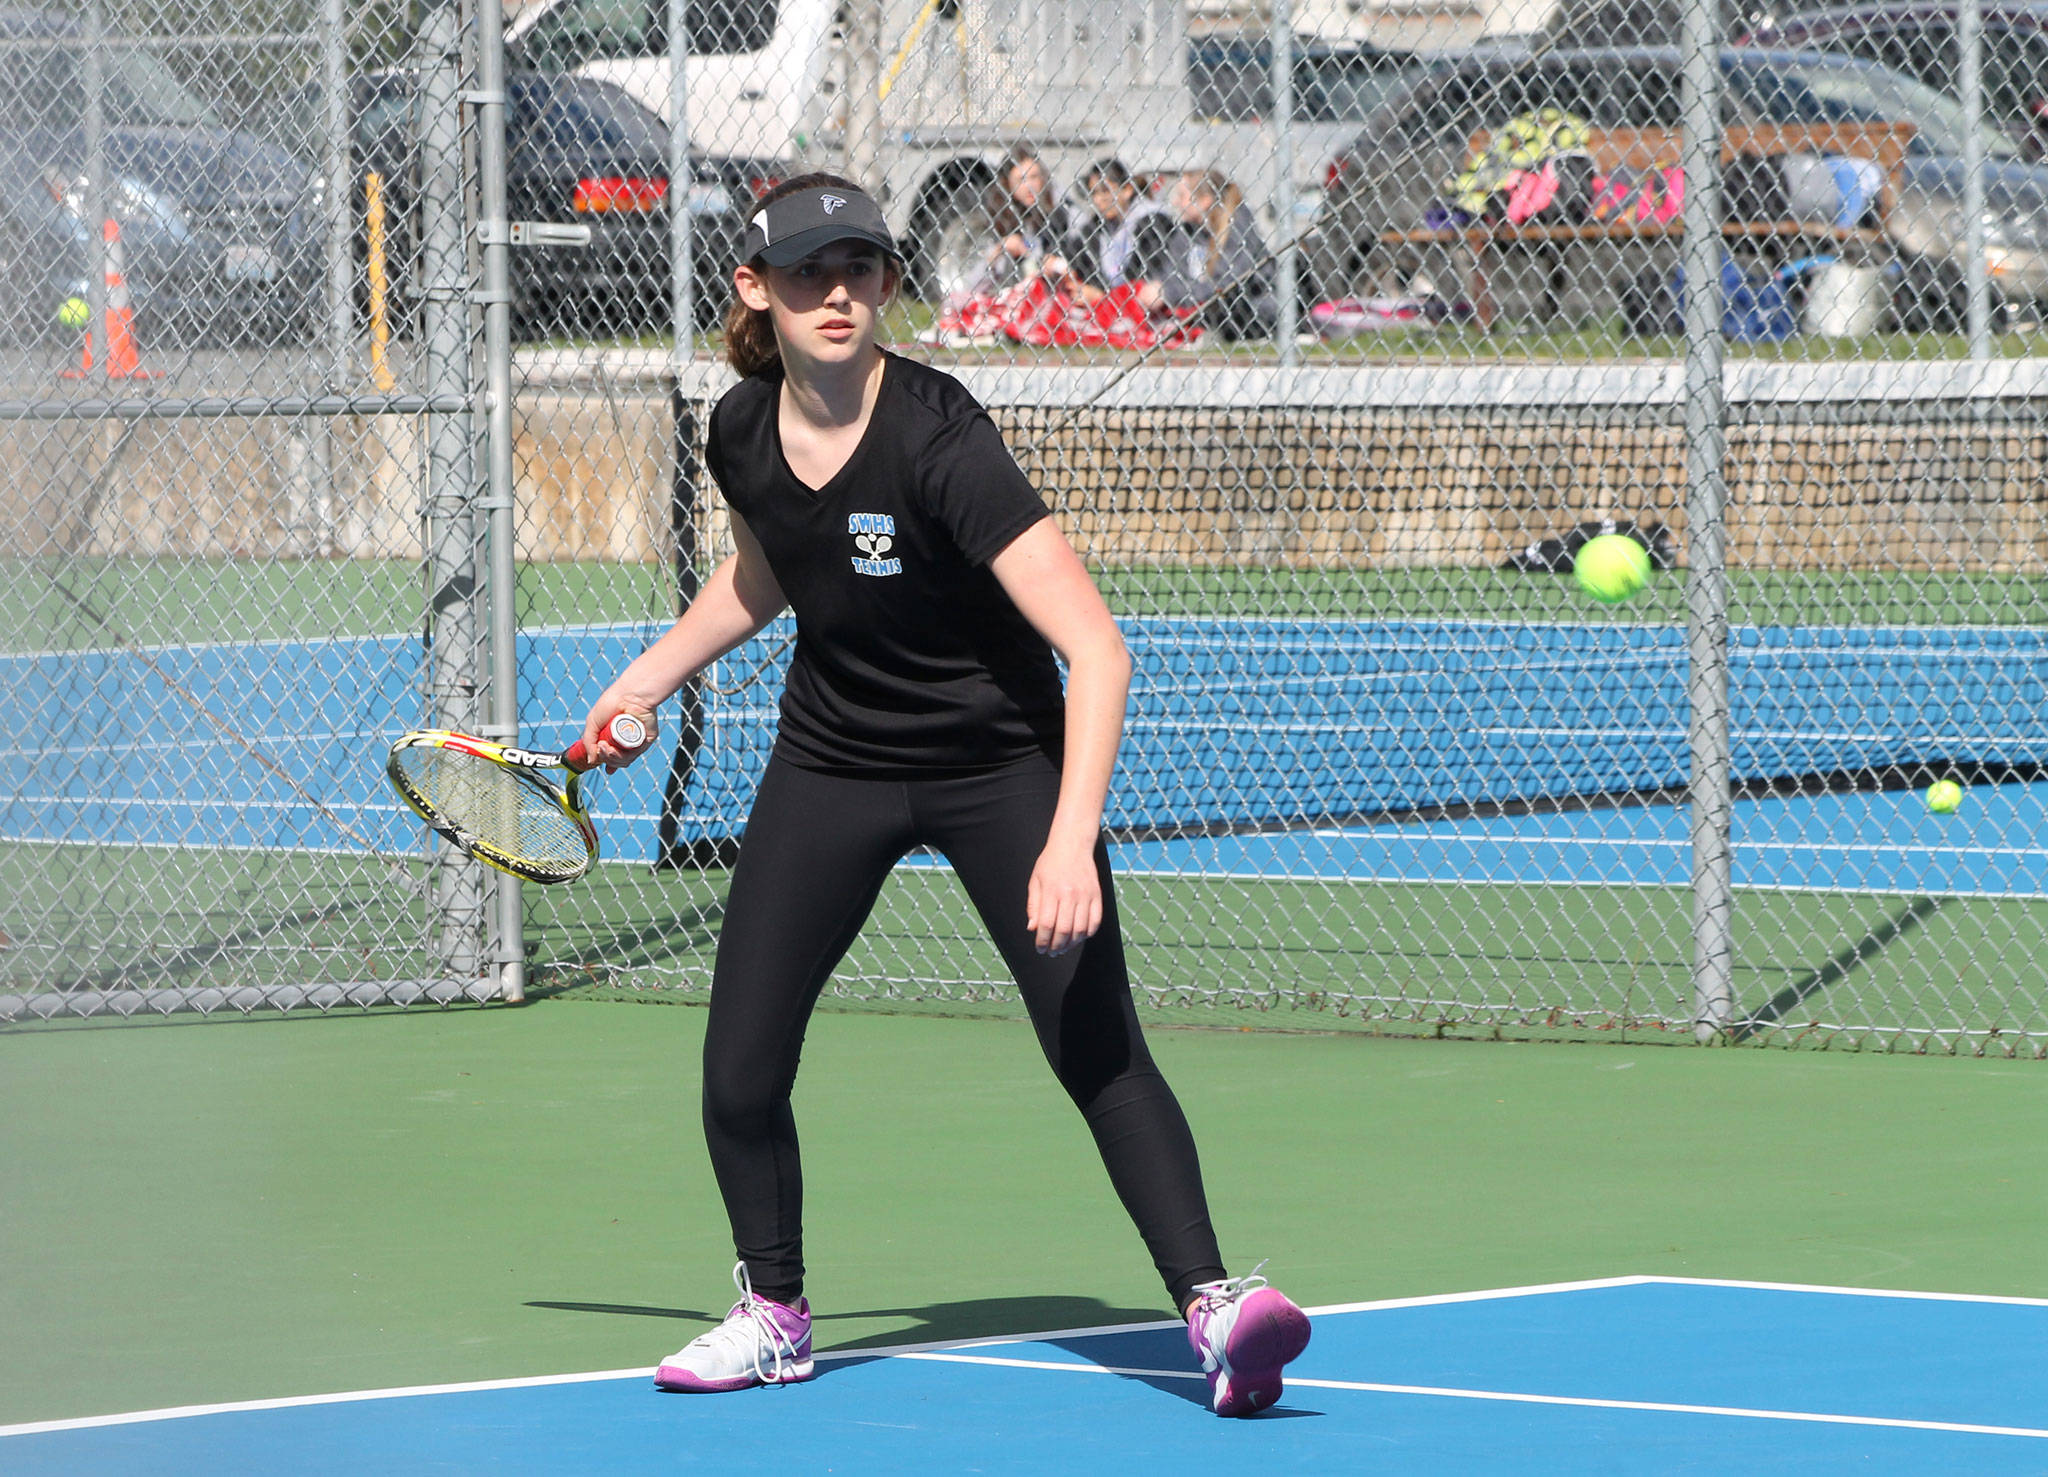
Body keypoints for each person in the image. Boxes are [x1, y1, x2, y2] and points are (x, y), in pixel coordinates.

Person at [576, 172, 1311, 1417]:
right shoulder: (740, 428)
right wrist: (642, 680)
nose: (837, 292)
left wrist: (1067, 840)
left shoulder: (938, 435)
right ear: (755, 288)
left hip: (999, 767)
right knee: (738, 1065)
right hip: (831, 764)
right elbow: (766, 571)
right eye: (807, 271)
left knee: (1094, 1044)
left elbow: (1097, 651)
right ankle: (773, 1315)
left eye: (858, 267)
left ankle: (1213, 1307)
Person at [1135, 169, 1277, 341]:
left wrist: (1168, 292)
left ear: (1204, 201)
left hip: (1249, 317)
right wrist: (1160, 289)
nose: (1175, 202)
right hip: (1204, 314)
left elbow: (1225, 286)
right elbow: (1170, 273)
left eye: (1181, 196)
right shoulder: (1187, 231)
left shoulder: (1238, 229)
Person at [1046, 157, 1175, 306]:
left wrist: (1100, 297)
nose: (1098, 200)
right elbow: (1073, 252)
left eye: (1105, 191)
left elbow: (1142, 277)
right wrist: (1055, 261)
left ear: (1127, 190)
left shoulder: (1153, 222)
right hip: (1112, 305)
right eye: (1094, 193)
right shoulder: (1101, 224)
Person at [965, 143, 1073, 296]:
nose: (1029, 186)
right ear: (1008, 184)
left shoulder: (1063, 211)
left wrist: (1056, 264)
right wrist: (1000, 250)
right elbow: (972, 285)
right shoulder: (1001, 217)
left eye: (1034, 177)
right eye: (1021, 180)